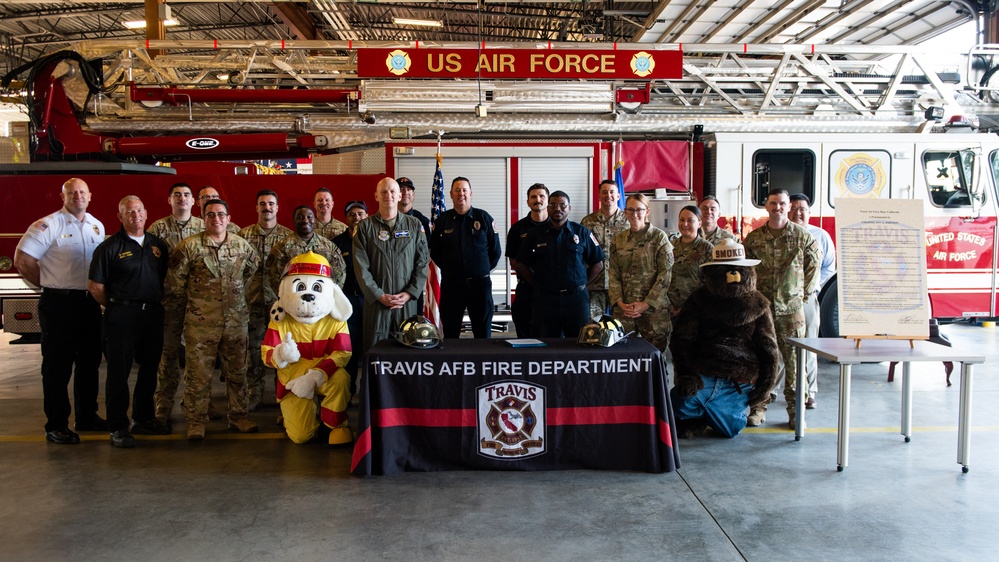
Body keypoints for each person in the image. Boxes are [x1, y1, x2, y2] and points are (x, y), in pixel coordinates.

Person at [14, 178, 105, 444]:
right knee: (57, 367)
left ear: (90, 196)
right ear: (62, 196)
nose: (78, 196)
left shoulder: (96, 226)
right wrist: (49, 285)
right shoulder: (47, 225)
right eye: (72, 193)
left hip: (88, 302)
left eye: (82, 192)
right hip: (59, 304)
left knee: (90, 362)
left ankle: (87, 416)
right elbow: (23, 260)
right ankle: (56, 424)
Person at [164, 199, 260, 440]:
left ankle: (239, 416)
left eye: (220, 215)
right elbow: (175, 284)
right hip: (201, 325)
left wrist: (236, 298)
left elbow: (252, 271)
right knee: (199, 375)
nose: (216, 219)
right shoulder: (188, 247)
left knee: (238, 372)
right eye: (210, 215)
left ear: (229, 218)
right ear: (203, 218)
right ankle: (196, 421)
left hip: (236, 323)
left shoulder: (242, 246)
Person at [669, 239, 780, 438]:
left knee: (731, 430)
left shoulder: (759, 304)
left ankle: (710, 411)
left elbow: (768, 348)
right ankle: (704, 412)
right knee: (680, 403)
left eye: (736, 269)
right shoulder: (698, 299)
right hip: (704, 376)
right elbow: (682, 340)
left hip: (738, 382)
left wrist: (764, 386)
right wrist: (687, 375)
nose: (732, 275)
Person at [87, 196, 171, 447]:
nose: (135, 215)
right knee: (118, 372)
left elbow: (161, 275)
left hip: (152, 313)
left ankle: (143, 418)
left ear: (146, 214)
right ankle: (118, 427)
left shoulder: (157, 245)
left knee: (149, 367)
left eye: (138, 211)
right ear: (120, 216)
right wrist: (117, 306)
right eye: (129, 212)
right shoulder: (109, 247)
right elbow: (95, 286)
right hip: (122, 316)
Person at [743, 188, 820, 429]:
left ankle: (796, 412)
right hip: (762, 312)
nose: (778, 207)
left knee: (795, 363)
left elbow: (814, 265)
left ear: (789, 206)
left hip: (791, 312)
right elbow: (747, 273)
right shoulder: (754, 239)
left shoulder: (802, 236)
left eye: (782, 203)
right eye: (773, 203)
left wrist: (802, 294)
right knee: (761, 361)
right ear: (766, 206)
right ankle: (758, 408)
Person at [148, 183, 209, 426]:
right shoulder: (158, 229)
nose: (182, 199)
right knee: (168, 354)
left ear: (194, 201)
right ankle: (163, 402)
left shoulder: (204, 226)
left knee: (199, 355)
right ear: (169, 200)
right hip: (170, 302)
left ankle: (199, 402)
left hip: (199, 302)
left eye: (186, 195)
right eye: (177, 195)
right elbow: (151, 266)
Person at [353, 177, 430, 353]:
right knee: (375, 354)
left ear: (399, 196)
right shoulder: (365, 227)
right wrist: (379, 295)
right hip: (377, 304)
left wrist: (410, 293)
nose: (389, 195)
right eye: (384, 192)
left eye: (393, 191)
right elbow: (361, 267)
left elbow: (422, 262)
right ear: (376, 196)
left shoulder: (414, 225)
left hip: (406, 303)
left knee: (408, 352)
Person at [514, 191, 604, 338]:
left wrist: (582, 284)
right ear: (548, 208)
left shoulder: (582, 233)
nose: (558, 209)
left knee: (579, 343)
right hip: (545, 301)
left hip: (576, 301)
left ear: (569, 208)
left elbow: (598, 264)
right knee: (543, 344)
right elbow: (521, 264)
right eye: (553, 205)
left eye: (563, 205)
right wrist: (536, 283)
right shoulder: (535, 234)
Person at [429, 176, 502, 338]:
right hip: (452, 286)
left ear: (470, 193)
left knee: (483, 333)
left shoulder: (484, 218)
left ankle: (482, 363)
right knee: (450, 332)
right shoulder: (442, 221)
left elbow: (495, 252)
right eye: (457, 190)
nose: (461, 193)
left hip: (480, 286)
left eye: (464, 190)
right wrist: (452, 269)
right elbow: (435, 252)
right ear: (450, 194)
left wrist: (478, 270)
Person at [239, 190, 292, 411]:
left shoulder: (288, 238)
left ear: (278, 208)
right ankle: (254, 394)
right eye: (262, 203)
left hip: (279, 306)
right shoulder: (243, 236)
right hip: (251, 303)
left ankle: (283, 395)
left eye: (271, 203)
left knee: (282, 350)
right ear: (256, 208)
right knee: (252, 352)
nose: (267, 207)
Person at [607, 194, 674, 352]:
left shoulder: (659, 238)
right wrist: (619, 302)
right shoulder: (618, 240)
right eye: (630, 210)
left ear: (647, 211)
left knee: (655, 360)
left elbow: (666, 274)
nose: (634, 214)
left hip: (653, 312)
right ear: (625, 212)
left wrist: (646, 304)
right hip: (625, 311)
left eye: (639, 209)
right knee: (622, 360)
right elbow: (613, 274)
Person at [789, 193, 836, 409]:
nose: (798, 212)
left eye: (803, 209)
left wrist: (815, 286)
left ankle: (809, 391)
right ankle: (771, 392)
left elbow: (828, 267)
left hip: (808, 299)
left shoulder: (821, 236)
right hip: (781, 300)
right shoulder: (782, 235)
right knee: (777, 348)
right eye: (794, 208)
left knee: (808, 346)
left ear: (809, 212)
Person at [330, 200, 368, 394]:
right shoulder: (337, 243)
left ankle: (368, 390)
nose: (356, 218)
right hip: (347, 302)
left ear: (367, 216)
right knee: (349, 348)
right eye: (352, 214)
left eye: (360, 213)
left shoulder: (374, 239)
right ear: (346, 219)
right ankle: (349, 389)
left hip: (370, 300)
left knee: (370, 346)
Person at [267, 206, 346, 297]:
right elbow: (273, 276)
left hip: (322, 301)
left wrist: (329, 296)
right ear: (294, 221)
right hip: (292, 301)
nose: (305, 220)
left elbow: (339, 273)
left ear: (314, 220)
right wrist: (285, 297)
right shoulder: (281, 247)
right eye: (300, 217)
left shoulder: (329, 246)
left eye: (309, 217)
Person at [581, 179, 629, 318]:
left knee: (621, 327)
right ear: (599, 196)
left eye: (612, 192)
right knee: (594, 327)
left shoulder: (628, 221)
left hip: (621, 285)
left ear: (618, 196)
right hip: (595, 284)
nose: (608, 195)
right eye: (604, 192)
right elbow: (581, 253)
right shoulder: (588, 222)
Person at [506, 183, 549, 337]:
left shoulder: (558, 226)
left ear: (548, 201)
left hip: (552, 292)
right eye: (533, 197)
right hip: (526, 289)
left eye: (542, 196)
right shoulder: (517, 229)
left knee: (552, 338)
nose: (538, 199)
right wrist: (533, 280)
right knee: (524, 333)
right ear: (528, 201)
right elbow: (513, 261)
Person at [668, 205, 714, 317]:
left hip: (697, 309)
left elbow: (711, 283)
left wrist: (689, 306)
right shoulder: (670, 247)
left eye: (690, 220)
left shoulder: (707, 249)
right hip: (669, 310)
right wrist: (669, 305)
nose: (685, 224)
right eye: (682, 220)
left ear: (699, 223)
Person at [397, 177, 431, 313]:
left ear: (413, 195)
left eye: (409, 189)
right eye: (401, 189)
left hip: (413, 284)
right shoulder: (384, 219)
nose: (405, 192)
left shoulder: (422, 222)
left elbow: (426, 255)